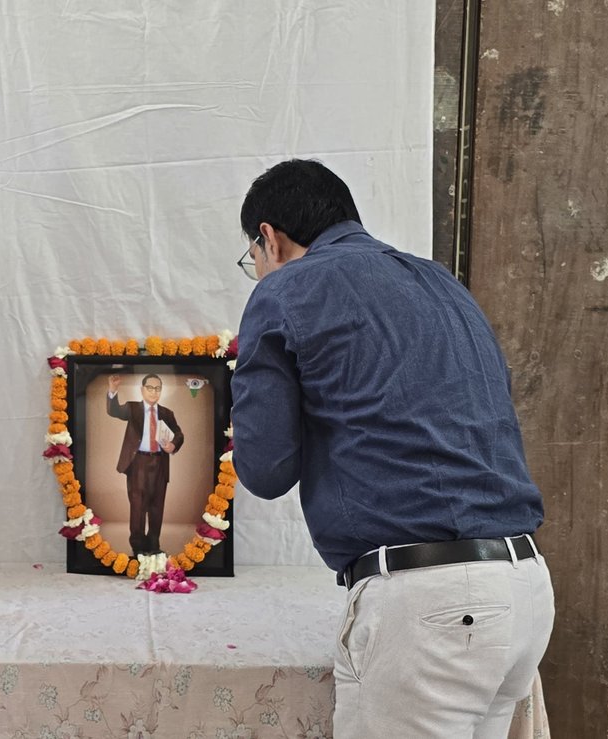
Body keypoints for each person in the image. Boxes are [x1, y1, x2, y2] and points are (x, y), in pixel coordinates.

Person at [230, 159, 554, 738]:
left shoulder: (285, 288)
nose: (257, 269)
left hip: (430, 604)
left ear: (269, 237)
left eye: (252, 256)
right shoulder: (441, 283)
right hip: (524, 588)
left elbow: (266, 468)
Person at [105, 373, 184, 555]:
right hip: (138, 462)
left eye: (158, 388)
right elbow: (114, 411)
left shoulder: (167, 413)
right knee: (138, 506)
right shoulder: (133, 408)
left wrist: (173, 445)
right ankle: (138, 546)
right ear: (142, 390)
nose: (154, 392)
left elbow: (179, 434)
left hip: (160, 462)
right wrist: (113, 390)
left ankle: (154, 544)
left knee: (157, 506)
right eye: (150, 387)